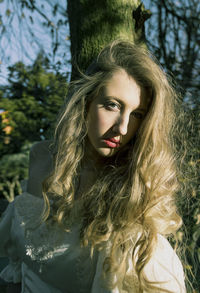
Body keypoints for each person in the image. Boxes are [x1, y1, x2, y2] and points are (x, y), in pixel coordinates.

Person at [0, 40, 186, 292]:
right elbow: (18, 270)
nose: (122, 127)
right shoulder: (41, 157)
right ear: (86, 100)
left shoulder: (131, 191)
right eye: (112, 105)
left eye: (137, 114)